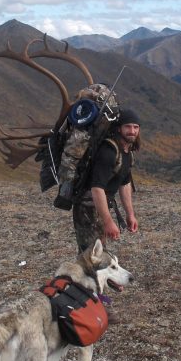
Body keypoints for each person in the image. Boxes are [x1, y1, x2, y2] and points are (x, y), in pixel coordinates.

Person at [71, 108, 141, 253]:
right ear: (119, 128)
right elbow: (96, 188)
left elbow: (125, 183)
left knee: (98, 252)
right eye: (128, 126)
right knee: (91, 254)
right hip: (87, 206)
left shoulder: (127, 151)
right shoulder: (108, 151)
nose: (132, 131)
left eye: (136, 127)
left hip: (100, 206)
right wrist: (108, 222)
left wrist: (130, 215)